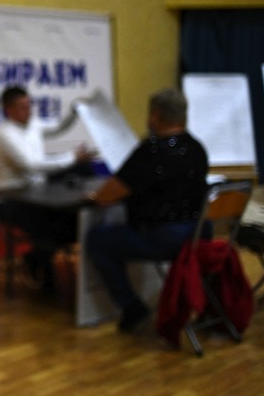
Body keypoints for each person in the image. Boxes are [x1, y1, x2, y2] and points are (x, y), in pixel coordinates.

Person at [84, 87, 209, 334]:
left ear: (155, 116)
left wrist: (94, 196)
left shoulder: (151, 151)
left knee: (98, 239)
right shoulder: (197, 148)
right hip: (199, 233)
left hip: (165, 238)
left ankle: (131, 306)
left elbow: (109, 194)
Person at [0, 85, 91, 288]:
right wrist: (71, 157)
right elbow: (31, 166)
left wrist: (74, 113)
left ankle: (37, 260)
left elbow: (57, 128)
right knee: (48, 226)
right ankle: (40, 267)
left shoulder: (34, 124)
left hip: (38, 194)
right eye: (22, 107)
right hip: (15, 201)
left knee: (82, 179)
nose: (28, 110)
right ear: (8, 110)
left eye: (29, 105)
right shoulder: (5, 135)